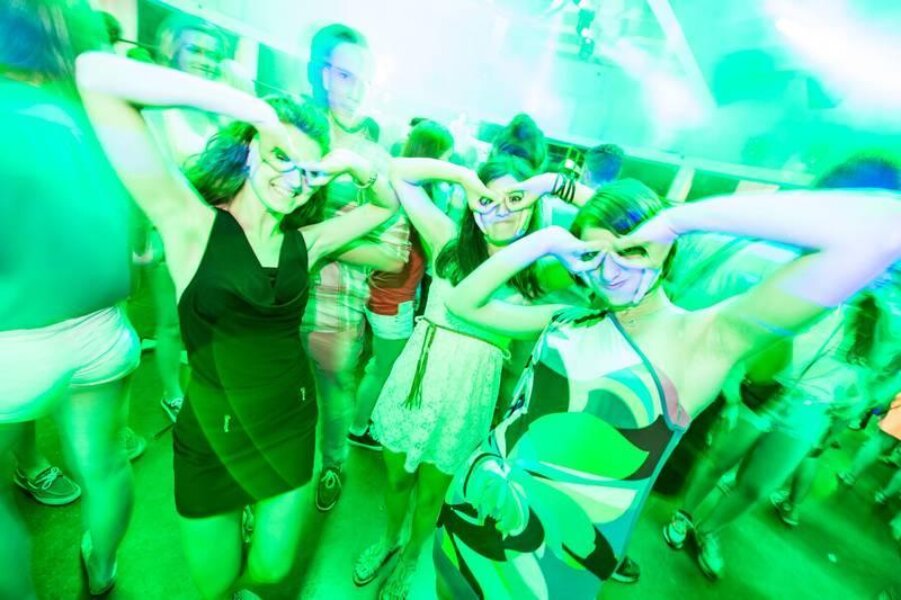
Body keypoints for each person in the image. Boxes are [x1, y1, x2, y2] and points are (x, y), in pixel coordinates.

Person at [433, 175, 901, 598]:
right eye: (595, 255)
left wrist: (678, 221)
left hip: (553, 556)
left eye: (631, 251)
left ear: (665, 250)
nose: (610, 272)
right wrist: (548, 240)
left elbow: (883, 228)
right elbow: (462, 304)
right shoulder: (568, 318)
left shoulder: (705, 339)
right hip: (475, 497)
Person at [75, 51, 398, 598]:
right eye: (279, 157)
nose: (293, 180)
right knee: (217, 583)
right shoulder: (191, 224)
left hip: (290, 424)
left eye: (308, 171)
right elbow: (94, 77)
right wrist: (255, 110)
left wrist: (352, 165)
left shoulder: (307, 242)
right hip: (213, 438)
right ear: (249, 149)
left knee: (271, 570)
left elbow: (384, 207)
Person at [353, 154, 556, 600]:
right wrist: (464, 176)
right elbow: (400, 173)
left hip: (468, 393)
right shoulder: (448, 239)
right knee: (396, 478)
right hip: (417, 378)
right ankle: (389, 539)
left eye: (515, 199)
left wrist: (551, 184)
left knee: (432, 495)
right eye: (490, 198)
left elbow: (608, 257)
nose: (501, 210)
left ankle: (412, 557)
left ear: (533, 205)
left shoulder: (538, 271)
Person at [1, 3, 141, 597]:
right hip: (102, 331)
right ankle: (102, 570)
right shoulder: (91, 117)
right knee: (105, 464)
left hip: (14, 342)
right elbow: (135, 232)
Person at [302, 23, 409, 511]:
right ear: (324, 74)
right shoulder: (295, 135)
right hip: (267, 298)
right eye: (347, 76)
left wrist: (314, 240)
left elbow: (393, 255)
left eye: (365, 81)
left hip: (336, 308)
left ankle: (334, 463)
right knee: (266, 397)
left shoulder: (380, 162)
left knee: (335, 393)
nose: (356, 91)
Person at [350, 120, 455, 450]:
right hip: (391, 298)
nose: (448, 165)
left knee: (378, 365)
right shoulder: (409, 198)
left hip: (386, 294)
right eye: (446, 157)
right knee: (383, 367)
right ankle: (358, 427)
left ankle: (360, 422)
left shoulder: (406, 192)